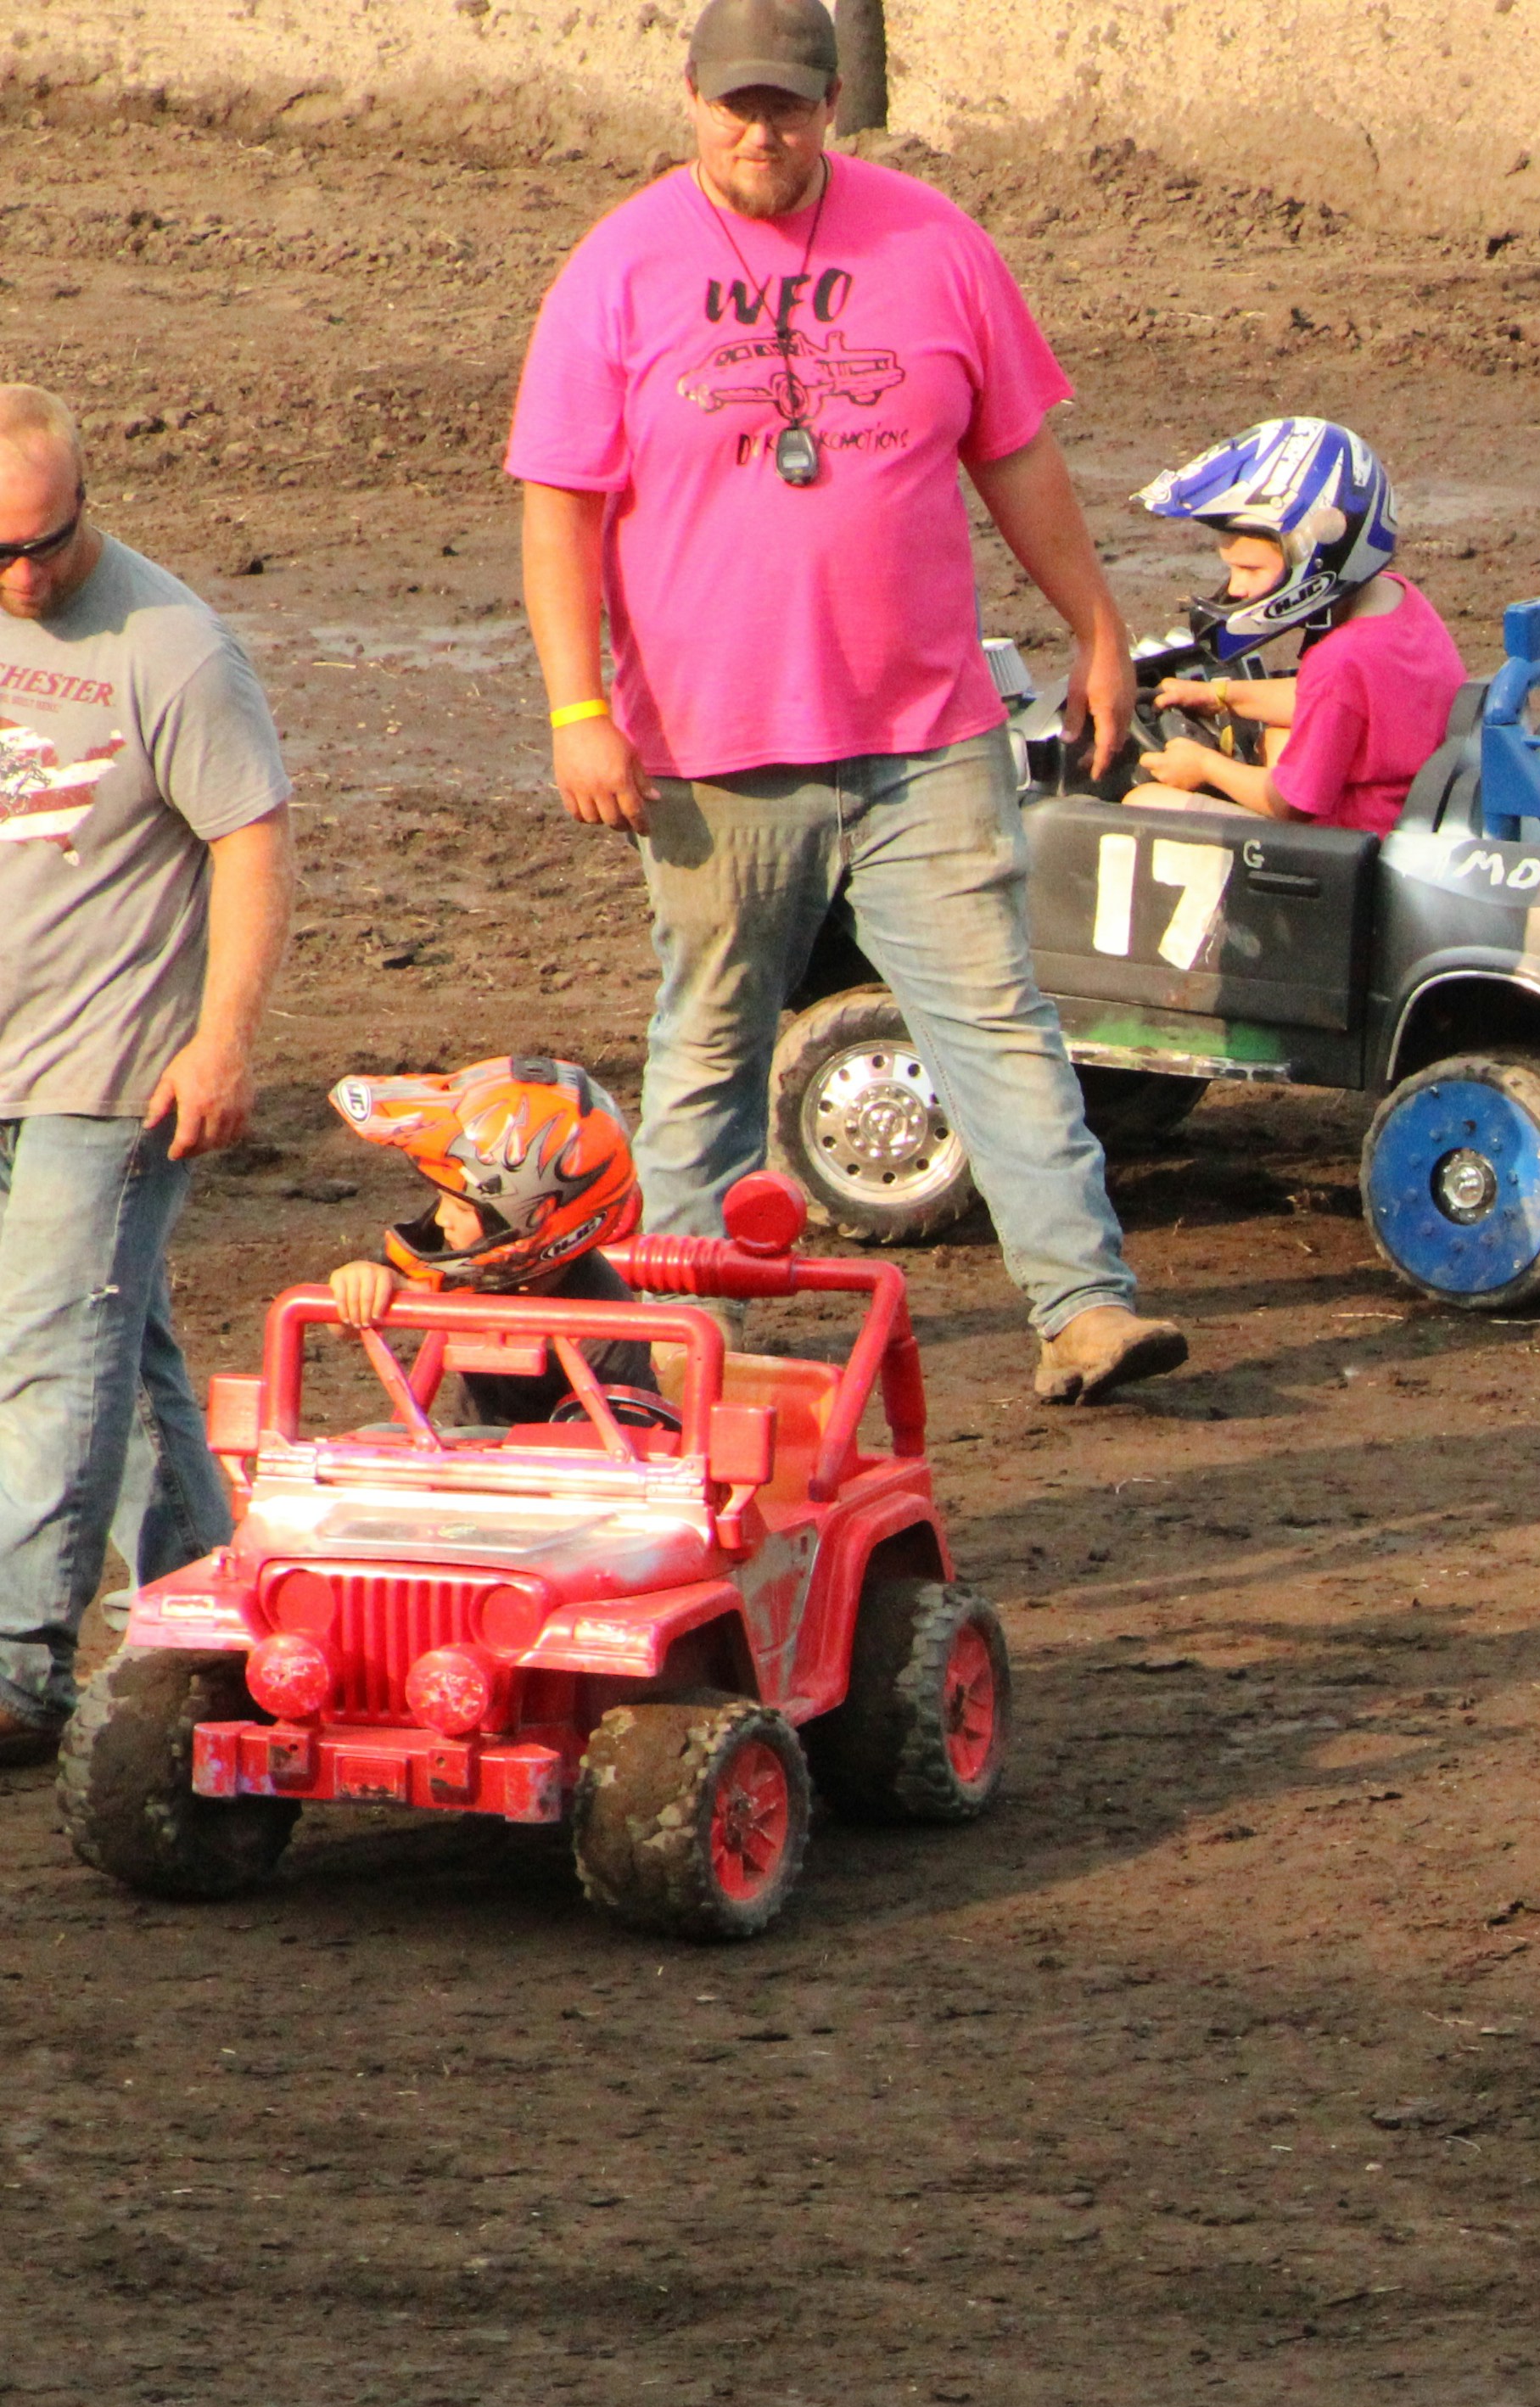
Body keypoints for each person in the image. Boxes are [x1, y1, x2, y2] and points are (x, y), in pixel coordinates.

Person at [507, 0, 1190, 1406]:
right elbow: (559, 509)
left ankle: (1085, 1305)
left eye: (794, 107)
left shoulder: (933, 243)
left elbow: (1016, 453)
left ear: (835, 107)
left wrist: (1098, 626)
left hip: (924, 730)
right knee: (709, 1042)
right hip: (713, 747)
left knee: (994, 1015)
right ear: (689, 98)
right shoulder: (617, 271)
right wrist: (580, 710)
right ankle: (671, 1344)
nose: (765, 132)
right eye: (739, 106)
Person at [0, 383, 288, 1765]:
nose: (25, 576)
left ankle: (17, 1670)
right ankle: (207, 1615)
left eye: (46, 544)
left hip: (112, 1062)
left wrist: (223, 1037)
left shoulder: (171, 647)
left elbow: (252, 839)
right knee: (115, 1336)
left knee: (49, 1351)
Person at [1117, 418, 1462, 835]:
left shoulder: (1340, 660)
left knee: (1140, 803)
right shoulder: (1397, 601)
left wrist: (1205, 766)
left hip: (1357, 844)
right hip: (1408, 808)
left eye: (1249, 569)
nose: (1237, 587)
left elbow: (1293, 805)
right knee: (1276, 739)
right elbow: (1333, 702)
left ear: (1314, 556)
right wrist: (1218, 695)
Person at [322, 1059, 662, 1434]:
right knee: (376, 1440)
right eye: (442, 1200)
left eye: (461, 1207)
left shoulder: (604, 1323)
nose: (440, 1220)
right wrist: (362, 1284)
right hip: (470, 1459)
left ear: (527, 1227)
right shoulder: (455, 1254)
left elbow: (613, 1461)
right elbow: (344, 1327)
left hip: (558, 1471)